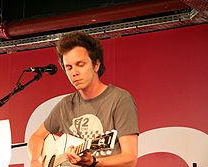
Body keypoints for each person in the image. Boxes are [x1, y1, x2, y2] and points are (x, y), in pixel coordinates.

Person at [28, 31, 139, 167]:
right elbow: (36, 137)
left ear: (96, 65)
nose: (74, 73)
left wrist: (93, 163)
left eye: (80, 64)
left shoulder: (119, 99)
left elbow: (130, 158)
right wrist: (35, 160)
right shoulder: (66, 105)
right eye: (69, 67)